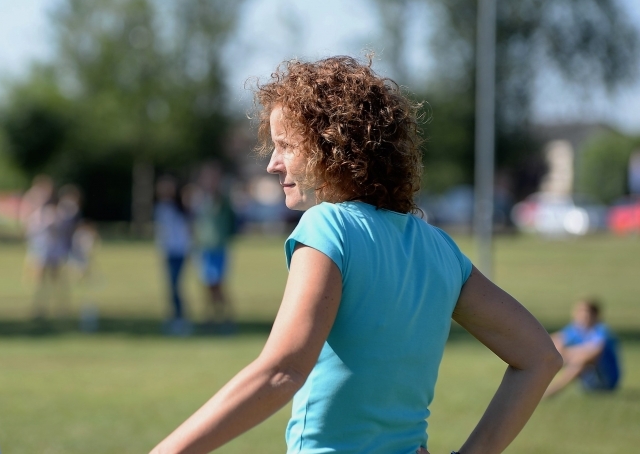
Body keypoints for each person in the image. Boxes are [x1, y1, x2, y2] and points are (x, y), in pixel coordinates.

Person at [150, 56, 562, 454]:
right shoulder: (440, 247)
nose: (273, 164)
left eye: (285, 145)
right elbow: (539, 357)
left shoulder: (326, 225)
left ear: (331, 146)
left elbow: (282, 370)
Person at [543, 298, 621, 397]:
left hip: (606, 381)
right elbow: (554, 340)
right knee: (556, 353)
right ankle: (538, 386)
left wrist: (567, 353)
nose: (581, 315)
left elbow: (595, 351)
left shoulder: (601, 330)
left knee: (581, 359)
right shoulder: (576, 330)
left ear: (595, 315)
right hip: (588, 383)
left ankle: (551, 392)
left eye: (585, 312)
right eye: (578, 311)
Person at [192, 163, 237, 331]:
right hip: (203, 248)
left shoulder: (222, 199)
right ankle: (210, 317)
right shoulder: (200, 199)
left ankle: (226, 318)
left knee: (217, 284)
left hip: (218, 247)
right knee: (207, 285)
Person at [154, 176, 193, 336]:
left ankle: (180, 318)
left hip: (180, 251)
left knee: (176, 286)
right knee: (171, 287)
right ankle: (175, 316)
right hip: (168, 252)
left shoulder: (180, 208)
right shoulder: (160, 208)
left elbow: (187, 230)